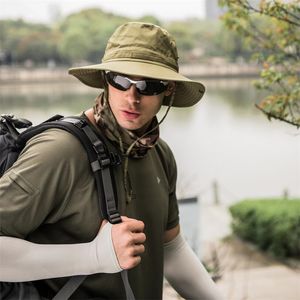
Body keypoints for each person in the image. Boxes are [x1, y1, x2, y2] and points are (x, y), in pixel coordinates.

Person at [0, 22, 222, 300]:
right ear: (106, 79)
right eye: (120, 80)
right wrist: (93, 256)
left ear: (169, 90)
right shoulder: (60, 151)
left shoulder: (159, 154)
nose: (132, 96)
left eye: (148, 84)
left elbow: (170, 246)